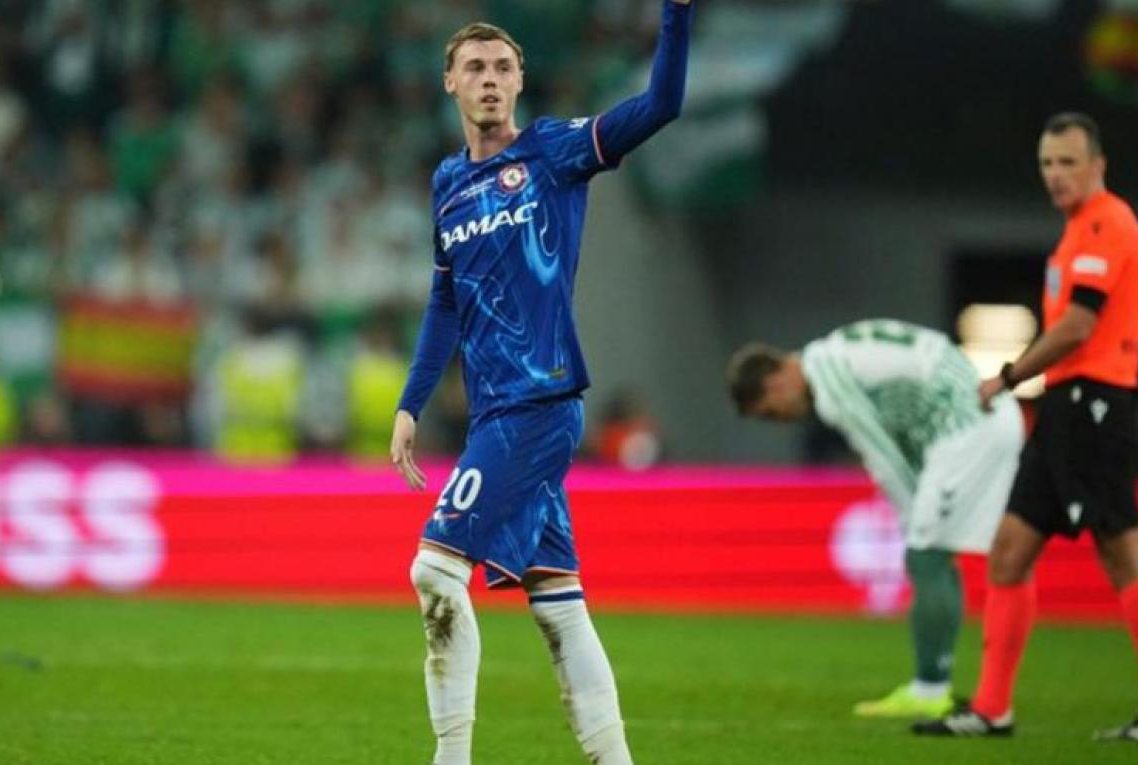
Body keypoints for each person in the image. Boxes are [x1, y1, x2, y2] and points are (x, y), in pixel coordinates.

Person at [389, 4, 694, 764]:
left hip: (539, 403)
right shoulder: (449, 183)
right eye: (475, 68)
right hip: (495, 412)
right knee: (558, 605)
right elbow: (445, 301)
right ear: (450, 83)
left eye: (503, 68)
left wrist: (677, 14)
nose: (490, 80)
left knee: (434, 570)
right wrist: (410, 403)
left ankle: (450, 758)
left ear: (520, 81)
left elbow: (662, 105)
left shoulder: (555, 152)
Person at [915, 113, 1138, 742]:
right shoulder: (1075, 232)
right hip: (1067, 407)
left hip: (1096, 404)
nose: (1055, 174)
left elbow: (1077, 326)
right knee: (1010, 551)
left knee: (1122, 554)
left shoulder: (1107, 223)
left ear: (1099, 166)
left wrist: (1008, 376)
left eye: (1068, 162)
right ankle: (992, 708)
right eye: (1047, 163)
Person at [727, 319, 1024, 720]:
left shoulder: (829, 383)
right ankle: (957, 688)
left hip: (966, 427)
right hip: (982, 413)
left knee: (926, 555)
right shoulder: (835, 349)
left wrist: (911, 515)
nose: (781, 420)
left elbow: (881, 454)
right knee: (975, 554)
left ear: (776, 383)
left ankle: (930, 689)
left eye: (770, 413)